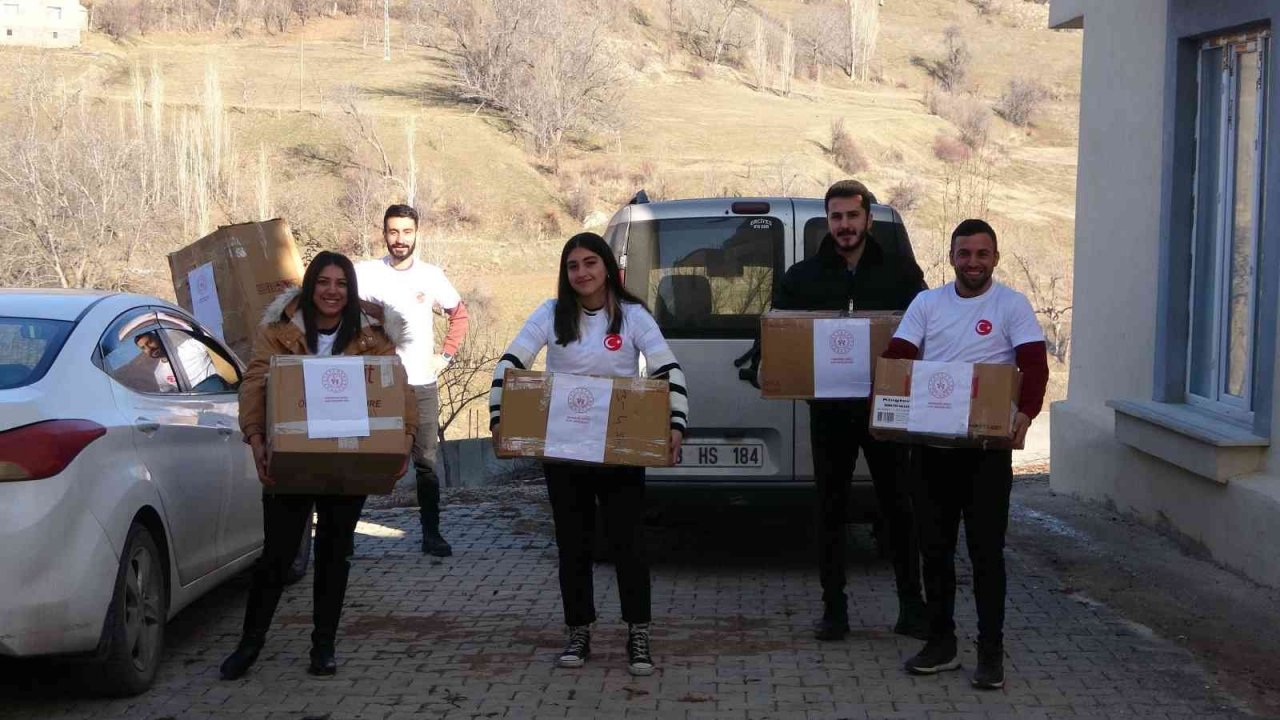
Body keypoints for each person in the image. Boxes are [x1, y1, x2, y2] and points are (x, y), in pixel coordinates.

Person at [488, 232, 687, 677]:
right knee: (572, 545)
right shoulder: (550, 313)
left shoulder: (633, 316)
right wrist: (499, 415)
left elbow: (667, 368)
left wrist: (675, 424)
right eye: (573, 266)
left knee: (629, 544)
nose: (581, 273)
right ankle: (578, 630)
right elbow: (510, 361)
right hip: (563, 449)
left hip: (619, 449)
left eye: (589, 263)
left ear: (607, 269)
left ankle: (638, 632)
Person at [220, 251, 418, 680]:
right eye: (324, 282)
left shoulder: (372, 335)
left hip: (351, 460)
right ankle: (250, 643)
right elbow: (255, 381)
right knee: (277, 555)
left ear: (351, 291)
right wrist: (255, 438)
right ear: (311, 287)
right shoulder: (279, 331)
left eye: (341, 284)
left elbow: (397, 387)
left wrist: (403, 441)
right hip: (290, 462)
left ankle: (323, 646)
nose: (332, 291)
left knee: (335, 553)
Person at [885, 219, 1049, 690]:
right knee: (933, 552)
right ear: (951, 256)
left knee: (986, 555)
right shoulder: (927, 303)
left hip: (985, 454)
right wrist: (893, 402)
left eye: (982, 254)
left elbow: (1033, 362)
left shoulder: (1011, 305)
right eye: (964, 254)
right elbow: (899, 355)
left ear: (995, 257)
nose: (973, 262)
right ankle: (941, 644)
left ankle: (991, 652)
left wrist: (1028, 412)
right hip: (932, 451)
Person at [773, 179, 929, 642]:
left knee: (899, 508)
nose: (844, 226)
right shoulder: (802, 277)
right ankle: (834, 609)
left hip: (886, 410)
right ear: (828, 220)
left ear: (868, 219)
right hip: (829, 412)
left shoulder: (901, 272)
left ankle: (912, 607)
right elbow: (781, 340)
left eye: (852, 217)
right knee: (830, 510)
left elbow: (926, 333)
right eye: (836, 218)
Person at [357, 204, 469, 558]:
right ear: (384, 233)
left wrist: (445, 357)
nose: (399, 239)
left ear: (417, 233)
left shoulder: (432, 276)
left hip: (421, 382)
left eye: (406, 232)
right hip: (377, 382)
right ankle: (345, 534)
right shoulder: (366, 274)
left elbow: (459, 314)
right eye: (393, 232)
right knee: (364, 460)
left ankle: (431, 534)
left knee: (427, 463)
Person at [134, 331, 224, 393]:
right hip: (199, 408)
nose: (149, 348)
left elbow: (218, 348)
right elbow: (170, 396)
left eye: (149, 342)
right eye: (143, 348)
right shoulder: (159, 374)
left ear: (158, 338)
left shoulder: (192, 346)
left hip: (220, 393)